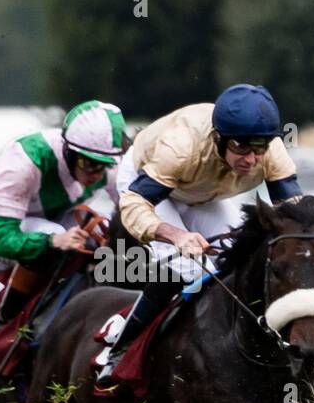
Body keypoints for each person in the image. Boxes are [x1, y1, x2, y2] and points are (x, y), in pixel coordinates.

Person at [100, 84, 303, 383]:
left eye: (259, 147)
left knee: (235, 258)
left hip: (203, 191)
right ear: (218, 139)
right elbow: (134, 204)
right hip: (146, 183)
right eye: (241, 147)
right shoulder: (181, 147)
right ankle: (120, 348)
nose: (250, 159)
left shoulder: (271, 152)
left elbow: (294, 212)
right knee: (186, 266)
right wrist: (175, 235)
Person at [0, 100, 126, 324]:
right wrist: (52, 242)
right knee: (57, 236)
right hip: (3, 227)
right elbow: (0, 238)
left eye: (103, 165)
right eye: (89, 164)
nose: (97, 173)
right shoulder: (24, 162)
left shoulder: (108, 163)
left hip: (62, 215)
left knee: (107, 239)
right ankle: (5, 320)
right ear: (68, 150)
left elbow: (133, 210)